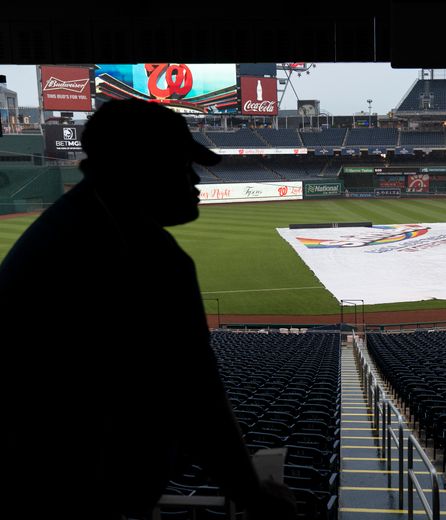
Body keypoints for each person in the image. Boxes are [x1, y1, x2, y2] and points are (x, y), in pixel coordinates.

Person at [0, 99, 296, 519]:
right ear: (141, 168)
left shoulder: (75, 224)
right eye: (182, 166)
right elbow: (197, 395)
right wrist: (252, 495)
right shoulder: (141, 254)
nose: (195, 180)